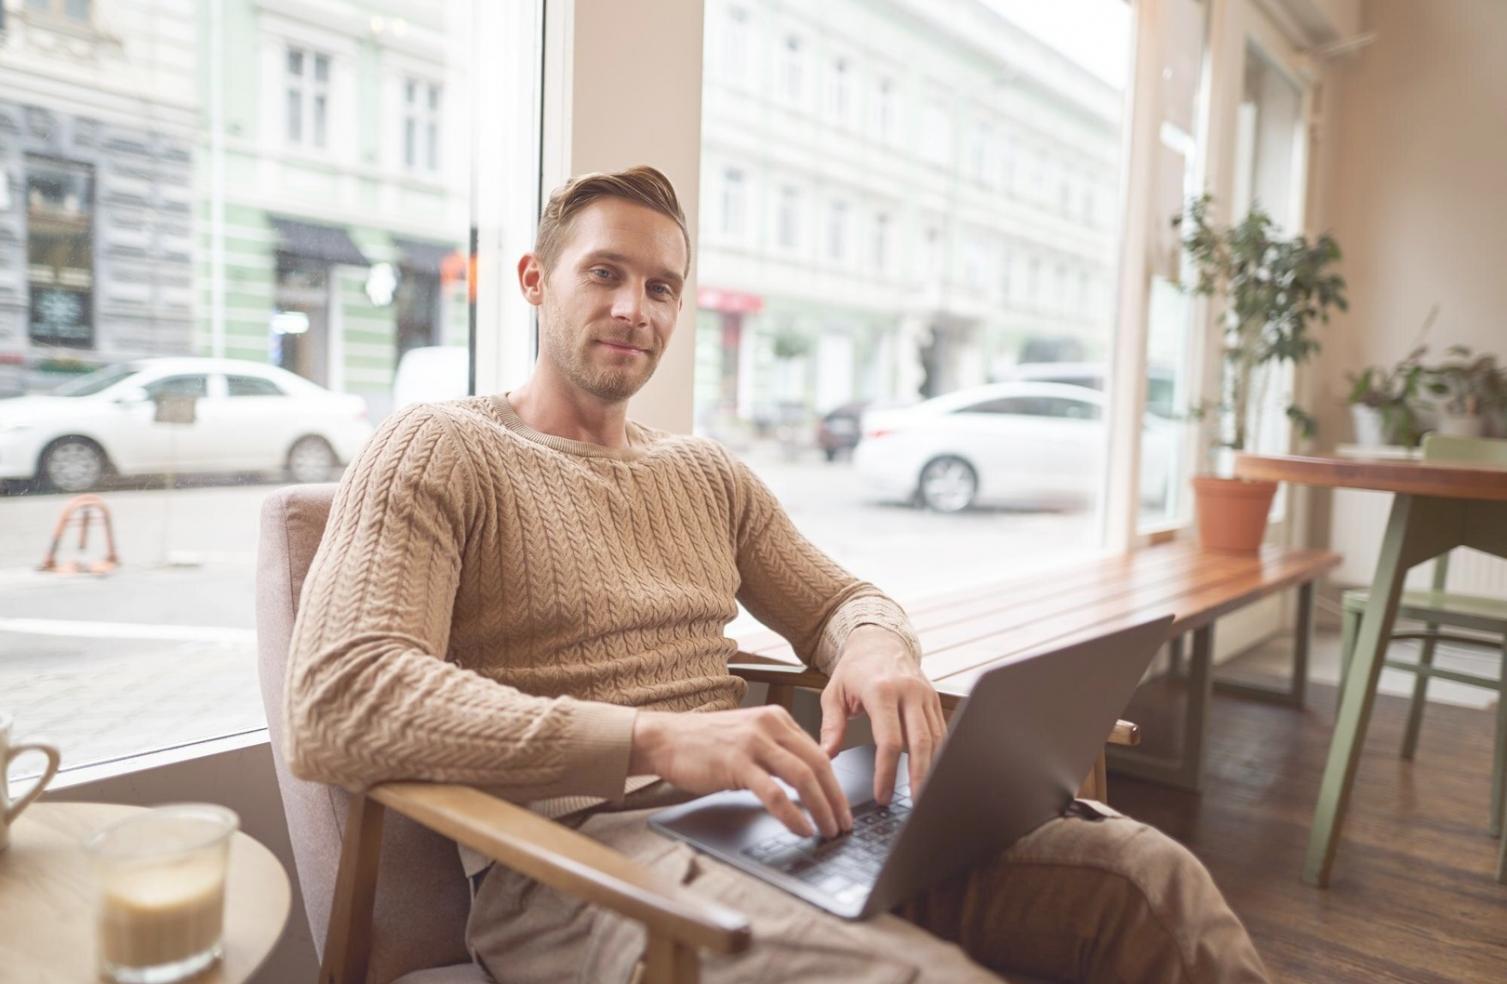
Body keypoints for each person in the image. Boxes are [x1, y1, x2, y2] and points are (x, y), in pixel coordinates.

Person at [285, 165, 1269, 983]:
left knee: (1144, 875)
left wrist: (877, 643)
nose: (635, 309)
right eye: (605, 274)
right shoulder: (441, 446)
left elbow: (840, 597)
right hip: (586, 867)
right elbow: (340, 698)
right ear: (535, 280)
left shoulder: (703, 471)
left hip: (774, 828)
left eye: (662, 287)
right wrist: (656, 739)